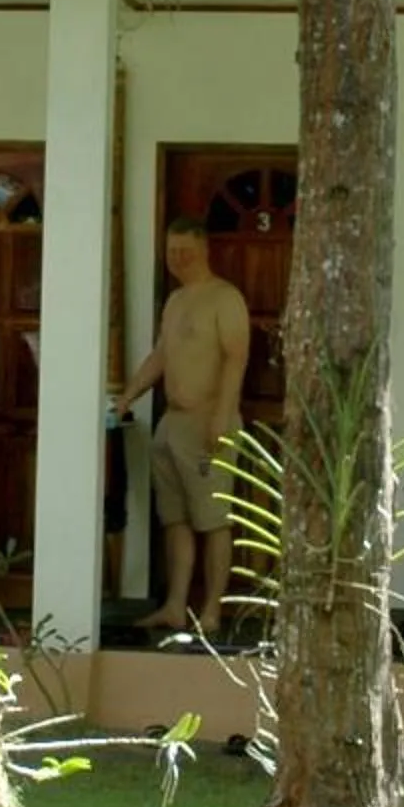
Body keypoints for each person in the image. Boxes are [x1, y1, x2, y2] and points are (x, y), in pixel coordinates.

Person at [117, 215, 251, 635]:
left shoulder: (225, 298)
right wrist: (126, 398)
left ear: (204, 249)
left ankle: (211, 611)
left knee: (213, 519)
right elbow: (161, 356)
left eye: (185, 251)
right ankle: (176, 606)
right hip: (170, 424)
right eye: (172, 251)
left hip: (209, 423)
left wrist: (222, 416)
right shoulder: (175, 301)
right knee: (174, 519)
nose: (177, 258)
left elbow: (236, 358)